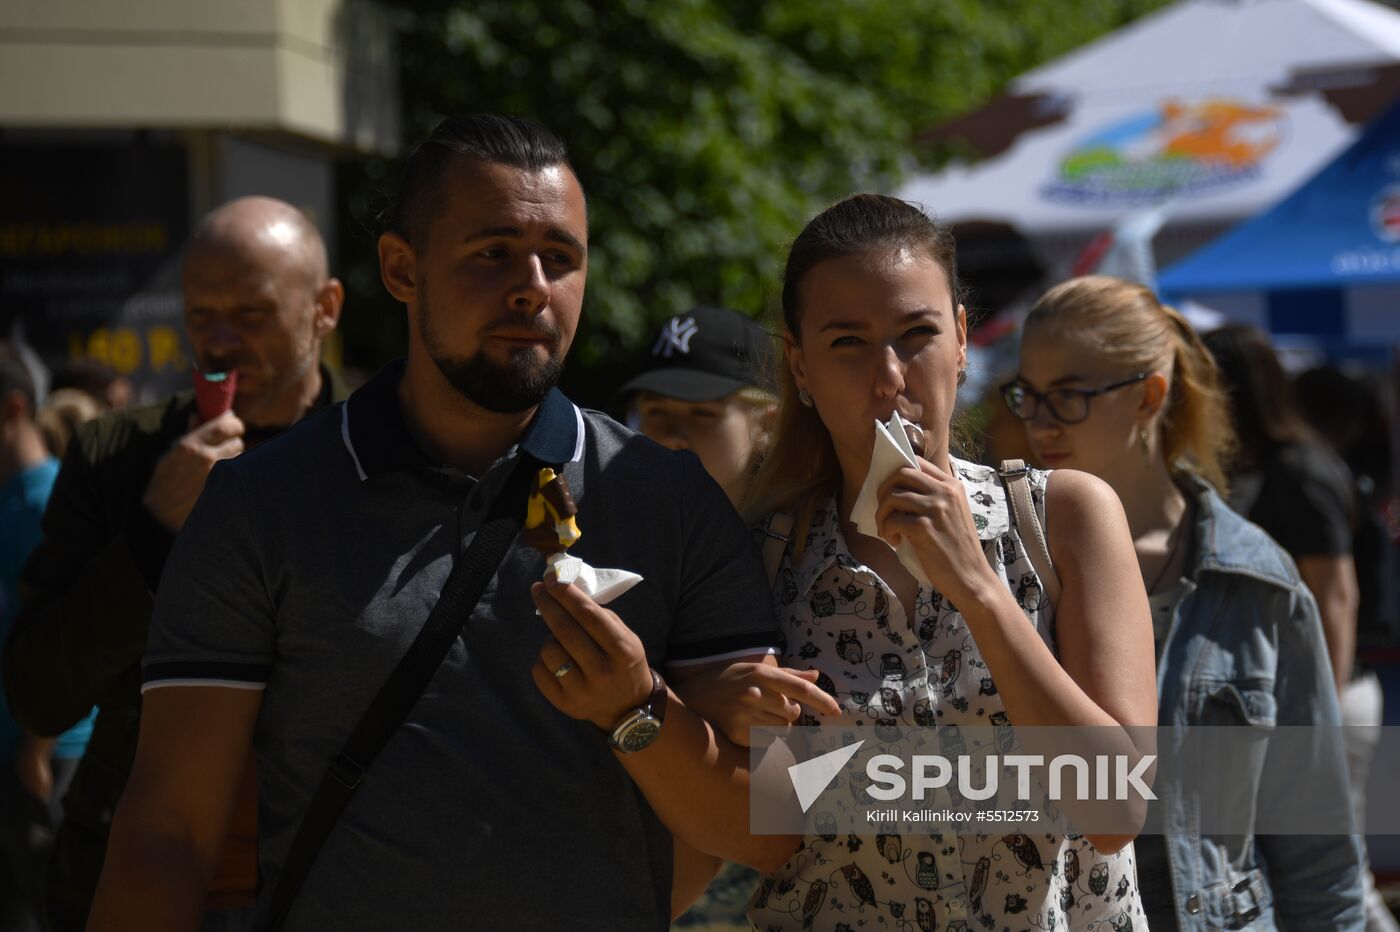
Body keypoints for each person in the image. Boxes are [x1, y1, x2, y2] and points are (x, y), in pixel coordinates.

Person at [86, 114, 790, 931]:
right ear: (401, 267)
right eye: (492, 252)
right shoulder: (260, 505)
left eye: (560, 258)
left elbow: (778, 822)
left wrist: (636, 710)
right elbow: (166, 830)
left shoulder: (667, 499)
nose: (533, 286)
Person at [692, 197, 1158, 930]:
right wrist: (722, 718)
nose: (889, 378)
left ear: (964, 339)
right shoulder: (758, 557)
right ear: (800, 364)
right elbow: (765, 833)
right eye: (848, 342)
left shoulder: (1062, 517)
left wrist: (978, 589)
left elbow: (1117, 808)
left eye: (917, 335)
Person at [2, 196, 348, 932]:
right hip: (141, 876)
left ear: (324, 308)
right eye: (200, 316)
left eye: (250, 315)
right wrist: (155, 533)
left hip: (328, 877)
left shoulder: (374, 462)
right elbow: (38, 692)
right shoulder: (117, 459)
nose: (219, 342)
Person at [1009, 275, 1364, 929]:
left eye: (1068, 397)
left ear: (1149, 397)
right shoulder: (999, 562)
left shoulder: (1257, 579)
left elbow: (1319, 851)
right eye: (1027, 395)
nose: (1038, 422)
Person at [0, 347, 94, 932]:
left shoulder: (45, 501)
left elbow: (76, 636)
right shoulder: (13, 498)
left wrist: (37, 745)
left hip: (48, 761)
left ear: (12, 409)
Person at [621, 305, 777, 509]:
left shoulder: (812, 534)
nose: (672, 437)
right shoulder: (611, 525)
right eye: (656, 411)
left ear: (767, 425)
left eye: (702, 413)